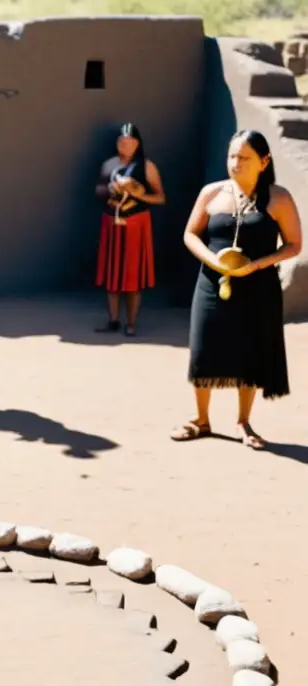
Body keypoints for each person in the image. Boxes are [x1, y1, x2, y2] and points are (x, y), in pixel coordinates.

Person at [171, 130, 302, 448]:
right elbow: (190, 234)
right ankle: (201, 419)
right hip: (211, 284)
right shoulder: (211, 193)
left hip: (259, 287)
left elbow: (294, 245)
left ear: (264, 161)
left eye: (244, 157)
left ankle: (244, 423)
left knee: (251, 352)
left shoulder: (278, 197)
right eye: (232, 156)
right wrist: (213, 262)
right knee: (203, 349)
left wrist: (256, 265)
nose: (235, 163)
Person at [94, 123, 166, 336]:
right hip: (112, 223)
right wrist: (110, 190)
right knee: (112, 276)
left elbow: (161, 197)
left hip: (136, 225)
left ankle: (131, 323)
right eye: (121, 141)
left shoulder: (147, 166)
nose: (124, 145)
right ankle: (113, 320)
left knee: (132, 277)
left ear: (137, 143)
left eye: (128, 141)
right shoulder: (109, 165)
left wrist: (138, 194)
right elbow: (98, 191)